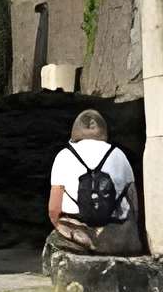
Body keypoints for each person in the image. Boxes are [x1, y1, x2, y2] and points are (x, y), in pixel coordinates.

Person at [47, 107, 140, 255]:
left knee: (53, 241)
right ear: (104, 133)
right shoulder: (119, 155)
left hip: (77, 235)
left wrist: (59, 226)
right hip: (117, 236)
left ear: (74, 133)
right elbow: (134, 204)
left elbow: (54, 209)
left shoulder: (63, 156)